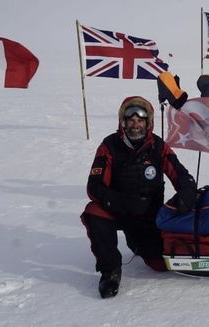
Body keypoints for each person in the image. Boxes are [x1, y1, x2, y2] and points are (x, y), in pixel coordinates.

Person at [81, 96, 197, 299]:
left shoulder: (158, 147)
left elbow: (181, 175)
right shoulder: (109, 146)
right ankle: (110, 272)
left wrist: (186, 195)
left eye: (140, 120)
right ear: (123, 122)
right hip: (118, 210)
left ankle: (137, 244)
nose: (135, 125)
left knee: (158, 264)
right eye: (130, 119)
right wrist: (121, 202)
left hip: (148, 216)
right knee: (94, 211)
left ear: (148, 123)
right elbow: (94, 187)